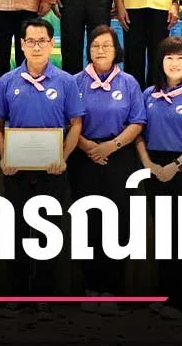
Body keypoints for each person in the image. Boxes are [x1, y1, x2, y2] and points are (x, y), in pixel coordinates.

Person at [0, 17, 84, 317]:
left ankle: (46, 295)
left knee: (48, 234)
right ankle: (18, 294)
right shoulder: (7, 81)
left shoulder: (66, 81)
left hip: (52, 170)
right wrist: (5, 157)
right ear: (21, 45)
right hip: (16, 171)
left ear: (51, 44)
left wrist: (63, 157)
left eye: (42, 41)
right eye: (30, 41)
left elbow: (76, 124)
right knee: (16, 232)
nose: (36, 47)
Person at [135, 35, 182, 321]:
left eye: (181, 58)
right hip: (155, 169)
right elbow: (138, 133)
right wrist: (149, 164)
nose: (175, 63)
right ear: (160, 62)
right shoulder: (148, 95)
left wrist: (176, 166)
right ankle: (165, 294)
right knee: (164, 235)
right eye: (170, 57)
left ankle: (181, 301)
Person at [70, 24, 143, 315]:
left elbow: (137, 122)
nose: (100, 50)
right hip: (83, 156)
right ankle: (90, 287)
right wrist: (88, 147)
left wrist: (110, 147)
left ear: (116, 50)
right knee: (87, 222)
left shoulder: (128, 83)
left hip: (119, 157)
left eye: (106, 45)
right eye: (95, 45)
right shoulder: (75, 82)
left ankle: (113, 289)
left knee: (118, 222)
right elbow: (68, 121)